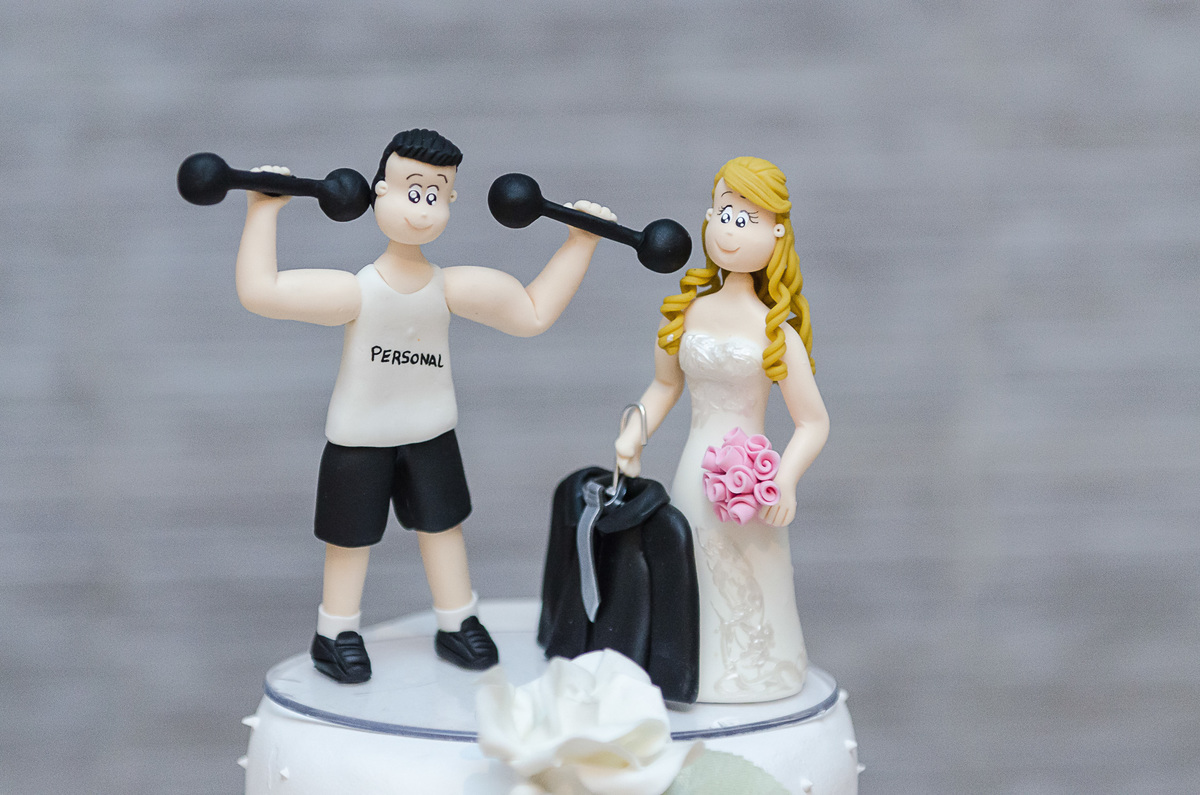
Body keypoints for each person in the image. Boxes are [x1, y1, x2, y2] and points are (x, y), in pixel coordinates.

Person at [235, 128, 615, 683]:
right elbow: (261, 293)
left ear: (451, 201)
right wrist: (263, 211)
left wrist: (581, 243)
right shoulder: (357, 292)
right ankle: (335, 632)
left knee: (443, 527)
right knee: (349, 537)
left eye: (435, 194)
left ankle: (457, 621)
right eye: (413, 191)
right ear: (378, 192)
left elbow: (532, 312)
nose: (422, 208)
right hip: (361, 436)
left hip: (430, 431)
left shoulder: (450, 287)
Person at [615, 156, 829, 703]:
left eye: (746, 219)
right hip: (696, 468)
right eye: (724, 214)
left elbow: (812, 421)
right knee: (692, 562)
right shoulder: (688, 312)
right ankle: (691, 670)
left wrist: (785, 478)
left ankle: (763, 668)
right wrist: (634, 433)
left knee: (754, 574)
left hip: (751, 481)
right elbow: (664, 387)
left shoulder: (776, 331)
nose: (729, 230)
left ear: (776, 233)